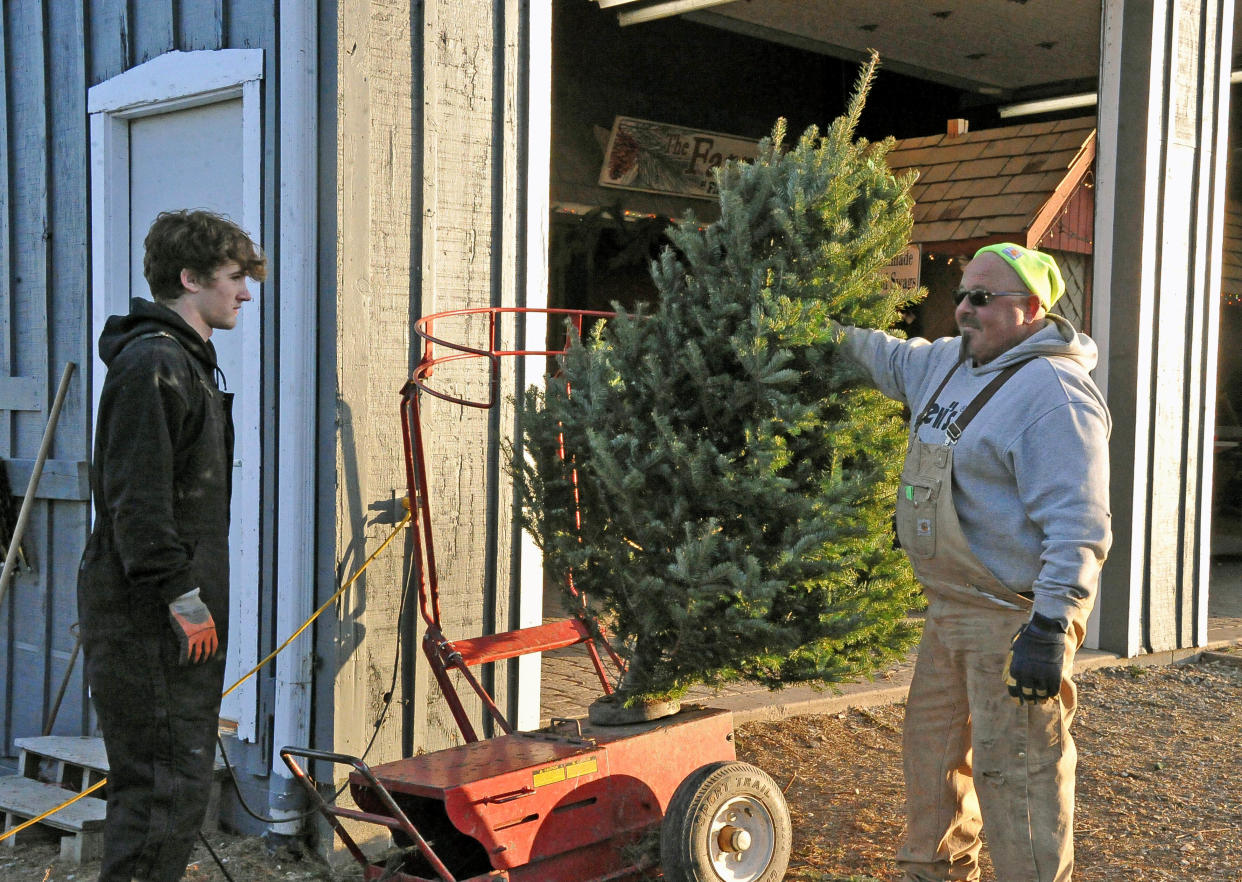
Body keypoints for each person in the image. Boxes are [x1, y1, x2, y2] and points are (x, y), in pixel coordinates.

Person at [832, 243, 1111, 881]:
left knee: (1017, 774)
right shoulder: (947, 365)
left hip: (1013, 622)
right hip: (948, 612)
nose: (963, 309)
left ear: (1032, 308)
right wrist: (812, 331)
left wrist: (1051, 626)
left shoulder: (1055, 397)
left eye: (982, 299)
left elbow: (1079, 522)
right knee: (932, 761)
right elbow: (884, 354)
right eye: (961, 294)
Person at [77, 209, 265, 882]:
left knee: (174, 786)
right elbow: (137, 501)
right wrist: (182, 599)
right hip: (149, 619)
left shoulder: (182, 362)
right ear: (190, 279)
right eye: (234, 278)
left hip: (167, 616)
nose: (245, 293)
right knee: (161, 790)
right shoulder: (153, 365)